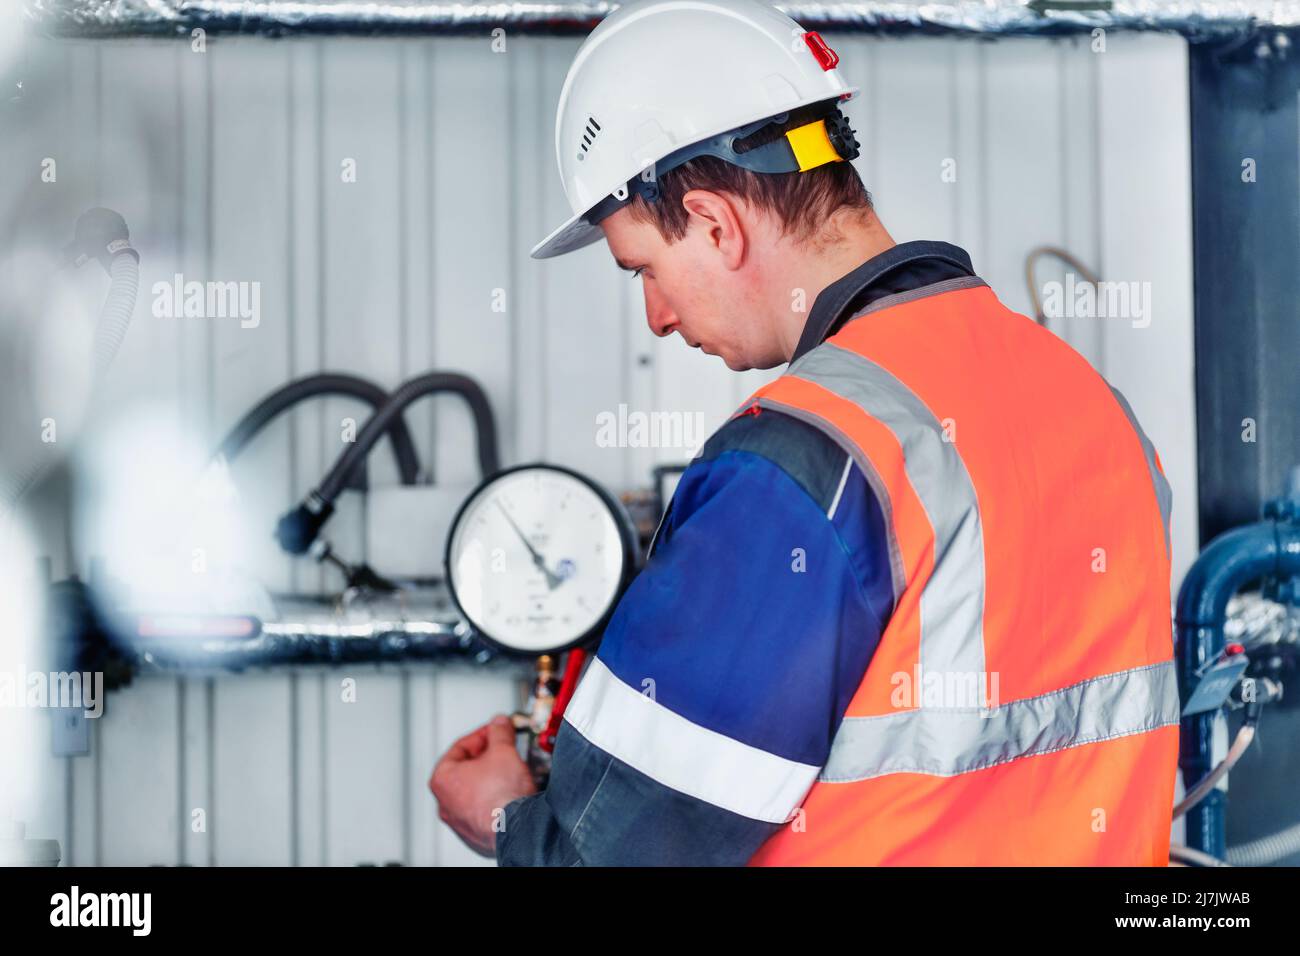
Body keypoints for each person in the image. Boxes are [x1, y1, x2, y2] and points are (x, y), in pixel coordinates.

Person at [430, 0, 1180, 866]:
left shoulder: (803, 462)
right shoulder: (1094, 404)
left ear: (716, 222)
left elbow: (610, 856)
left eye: (643, 268)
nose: (657, 316)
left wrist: (503, 821)